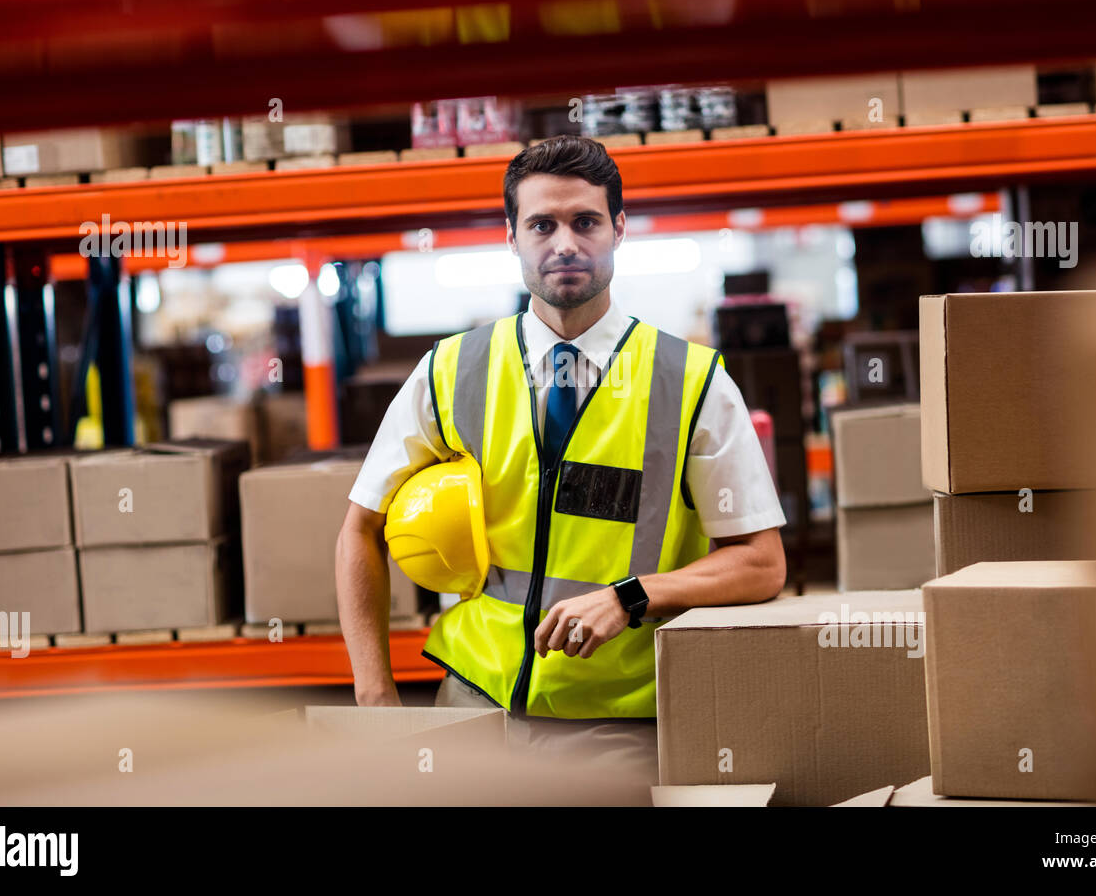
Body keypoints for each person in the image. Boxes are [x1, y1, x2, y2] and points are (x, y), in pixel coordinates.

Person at [335, 135, 786, 785]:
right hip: (473, 702)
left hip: (616, 720)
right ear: (512, 237)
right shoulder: (450, 370)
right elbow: (359, 529)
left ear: (619, 229)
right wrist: (376, 699)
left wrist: (631, 597)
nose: (565, 243)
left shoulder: (691, 382)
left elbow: (761, 563)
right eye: (542, 224)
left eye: (586, 221)